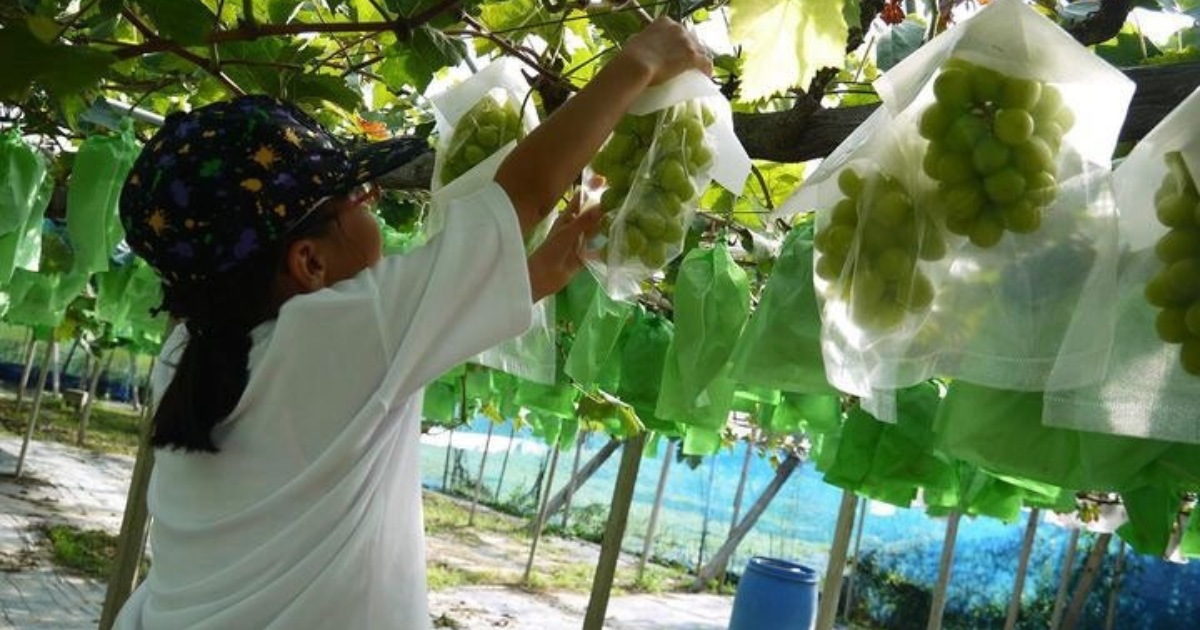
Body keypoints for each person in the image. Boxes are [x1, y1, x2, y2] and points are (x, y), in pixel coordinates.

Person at [112, 17, 711, 630]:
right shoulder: (335, 330)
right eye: (352, 196)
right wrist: (640, 60)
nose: (372, 196)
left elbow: (362, 381)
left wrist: (525, 277)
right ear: (310, 262)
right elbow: (522, 194)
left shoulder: (189, 352)